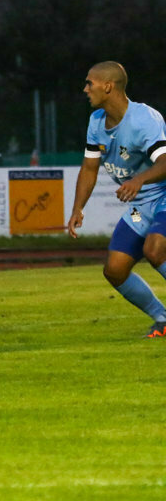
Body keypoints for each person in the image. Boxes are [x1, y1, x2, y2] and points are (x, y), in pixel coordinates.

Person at [67, 61, 166, 337]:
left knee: (155, 250)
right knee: (115, 269)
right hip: (140, 208)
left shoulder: (144, 118)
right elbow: (89, 168)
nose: (85, 89)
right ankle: (163, 318)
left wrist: (138, 180)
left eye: (90, 83)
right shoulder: (96, 121)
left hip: (164, 197)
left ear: (108, 86)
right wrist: (78, 208)